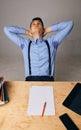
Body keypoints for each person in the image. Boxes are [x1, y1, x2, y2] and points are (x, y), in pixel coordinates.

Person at [4, 17, 74, 81]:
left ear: (43, 29)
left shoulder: (52, 42)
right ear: (30, 29)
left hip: (48, 80)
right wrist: (26, 32)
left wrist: (48, 29)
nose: (36, 25)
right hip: (30, 81)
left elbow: (70, 24)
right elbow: (6, 30)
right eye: (33, 24)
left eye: (39, 24)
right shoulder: (25, 44)